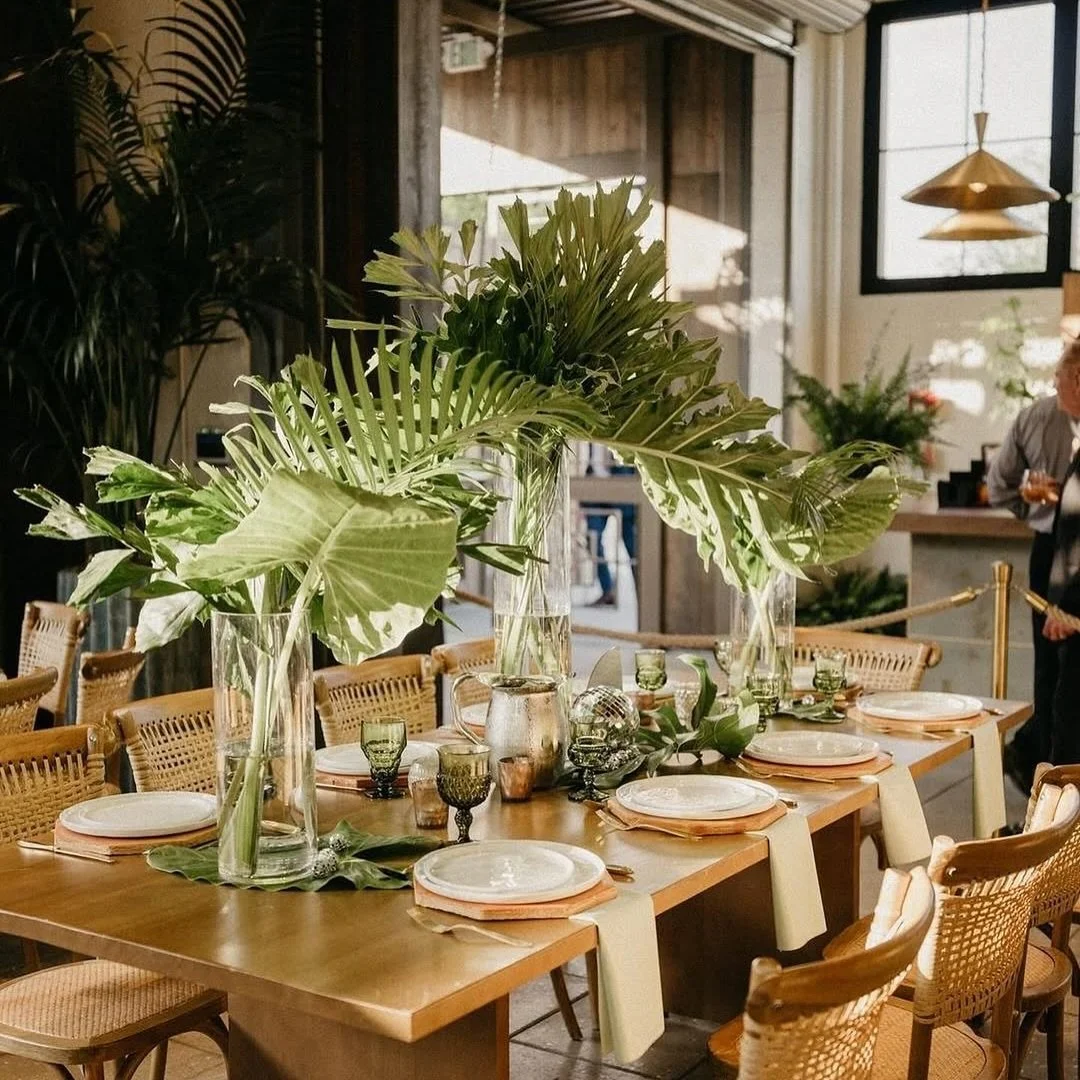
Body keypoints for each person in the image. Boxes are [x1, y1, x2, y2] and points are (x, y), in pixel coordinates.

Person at [988, 339, 1080, 787]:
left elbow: (998, 483)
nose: (1053, 384)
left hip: (1061, 560)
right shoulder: (1040, 416)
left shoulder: (1036, 416)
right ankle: (1045, 779)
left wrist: (1033, 508)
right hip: (1058, 558)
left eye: (1059, 376)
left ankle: (1047, 784)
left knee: (1056, 674)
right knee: (1055, 673)